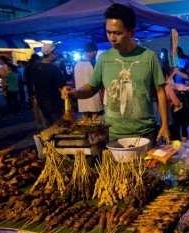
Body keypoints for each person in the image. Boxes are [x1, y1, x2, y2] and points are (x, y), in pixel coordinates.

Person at [61, 3, 170, 143]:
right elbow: (92, 87)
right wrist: (74, 92)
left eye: (118, 33)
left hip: (144, 132)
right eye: (108, 32)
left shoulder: (149, 57)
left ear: (132, 32)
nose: (112, 38)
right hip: (113, 133)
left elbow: (160, 91)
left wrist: (165, 125)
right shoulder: (104, 58)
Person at [31, 43, 67, 126]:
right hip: (54, 103)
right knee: (58, 127)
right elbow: (62, 87)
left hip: (41, 102)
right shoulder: (54, 69)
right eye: (56, 52)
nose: (57, 54)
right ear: (51, 54)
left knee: (48, 125)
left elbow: (33, 84)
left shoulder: (35, 67)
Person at [74, 42, 104, 124]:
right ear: (94, 52)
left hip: (82, 101)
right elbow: (100, 81)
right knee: (97, 126)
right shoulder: (94, 63)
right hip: (95, 100)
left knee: (86, 126)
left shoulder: (76, 64)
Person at [24, 53, 46, 129]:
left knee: (35, 108)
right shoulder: (37, 67)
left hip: (32, 90)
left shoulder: (27, 67)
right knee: (41, 108)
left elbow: (27, 80)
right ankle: (43, 123)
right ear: (37, 60)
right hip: (37, 89)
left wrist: (30, 92)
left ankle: (39, 123)